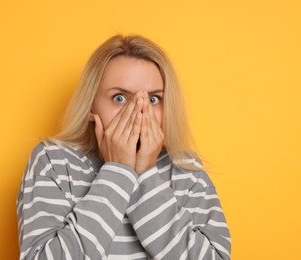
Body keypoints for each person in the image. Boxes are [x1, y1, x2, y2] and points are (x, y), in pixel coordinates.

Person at [16, 34, 231, 260]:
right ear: (91, 105)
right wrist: (118, 171)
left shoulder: (185, 168)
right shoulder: (53, 162)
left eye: (154, 99)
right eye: (119, 98)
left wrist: (145, 174)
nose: (138, 113)